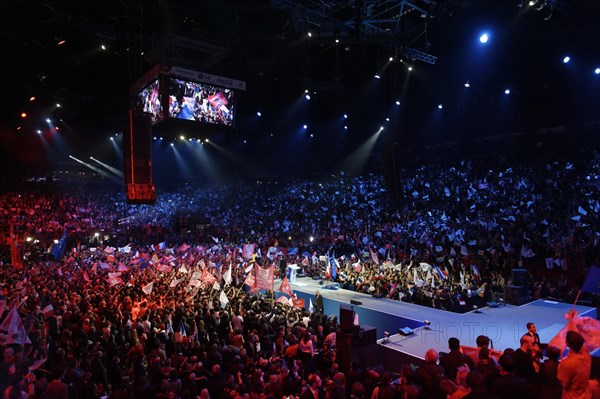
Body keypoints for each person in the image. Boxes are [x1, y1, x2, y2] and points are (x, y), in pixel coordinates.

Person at [557, 331, 592, 399]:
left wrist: (560, 366)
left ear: (567, 343)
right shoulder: (587, 356)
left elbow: (564, 384)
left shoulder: (566, 364)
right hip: (586, 396)